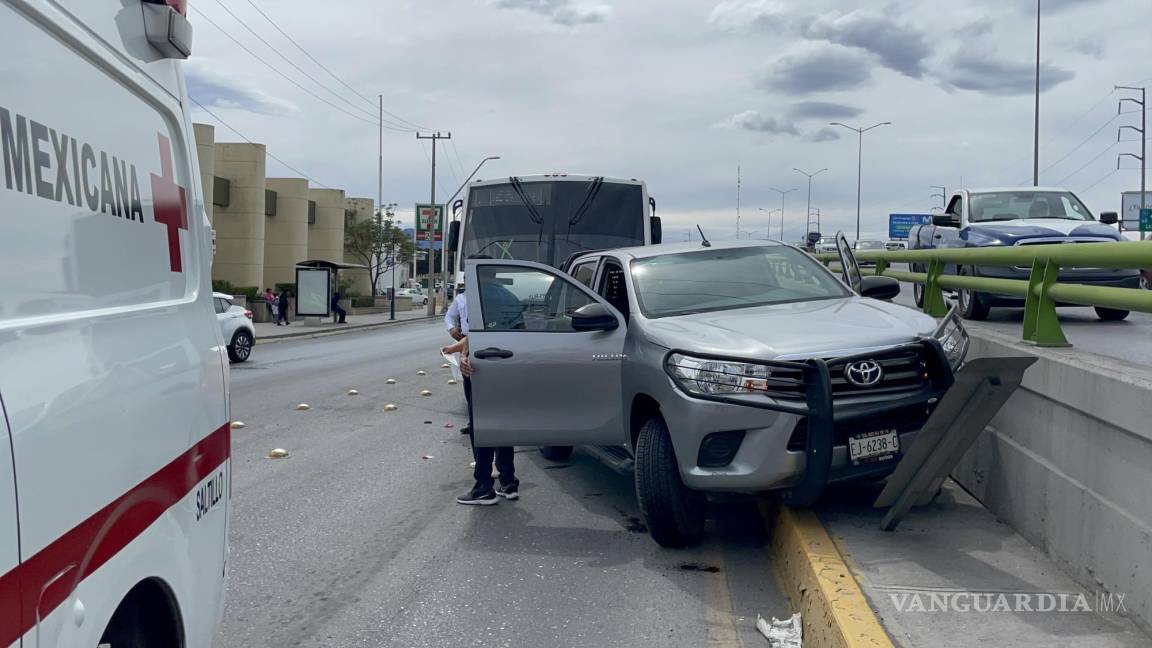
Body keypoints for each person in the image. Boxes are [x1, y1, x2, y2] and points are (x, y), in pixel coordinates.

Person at [442, 335, 519, 506]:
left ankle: (484, 487)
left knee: (482, 424)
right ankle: (508, 481)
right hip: (509, 363)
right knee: (502, 422)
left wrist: (464, 355)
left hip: (483, 363)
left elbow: (476, 332)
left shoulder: (486, 309)